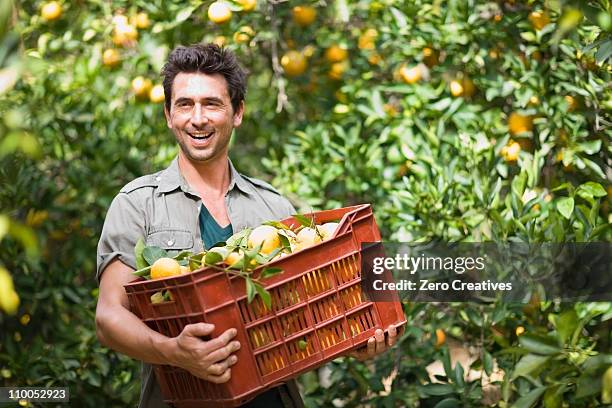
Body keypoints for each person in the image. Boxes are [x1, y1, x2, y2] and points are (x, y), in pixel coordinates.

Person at [95, 43, 398, 408]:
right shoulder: (138, 203)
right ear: (168, 115)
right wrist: (174, 351)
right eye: (185, 105)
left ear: (237, 112)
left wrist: (355, 340)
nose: (198, 118)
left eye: (212, 104)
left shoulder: (273, 207)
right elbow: (110, 317)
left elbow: (304, 317)